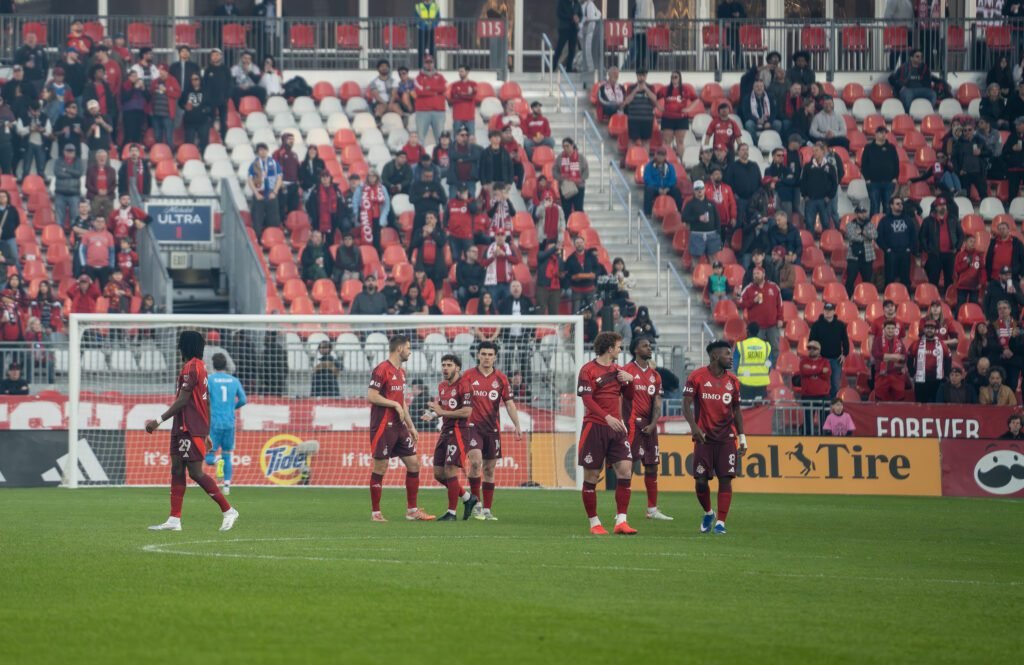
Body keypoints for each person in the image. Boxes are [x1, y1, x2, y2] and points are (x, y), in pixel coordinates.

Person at [146, 332, 238, 532]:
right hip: (183, 426)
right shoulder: (199, 367)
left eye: (180, 344)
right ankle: (174, 519)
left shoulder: (192, 367)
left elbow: (183, 400)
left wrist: (158, 421)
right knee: (177, 469)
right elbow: (206, 401)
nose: (178, 348)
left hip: (190, 427)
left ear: (185, 346)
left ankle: (228, 510)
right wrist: (207, 432)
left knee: (196, 473)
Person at [365, 335, 434, 521]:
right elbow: (372, 396)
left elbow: (401, 401)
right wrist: (393, 404)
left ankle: (412, 511)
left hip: (399, 426)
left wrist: (411, 426)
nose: (410, 352)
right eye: (408, 348)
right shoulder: (382, 369)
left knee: (413, 464)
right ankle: (376, 513)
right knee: (381, 466)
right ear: (399, 348)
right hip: (383, 425)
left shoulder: (401, 372)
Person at [577, 331, 637, 535]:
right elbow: (587, 400)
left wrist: (630, 381)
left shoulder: (619, 371)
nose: (620, 350)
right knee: (592, 476)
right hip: (595, 427)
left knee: (625, 470)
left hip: (616, 428)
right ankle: (594, 523)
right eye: (619, 347)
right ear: (610, 349)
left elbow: (629, 396)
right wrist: (607, 417)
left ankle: (621, 521)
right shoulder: (588, 370)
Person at [683, 340, 745, 536]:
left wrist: (742, 437)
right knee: (701, 481)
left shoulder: (733, 381)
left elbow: (736, 410)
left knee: (726, 479)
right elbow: (686, 405)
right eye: (727, 354)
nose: (731, 358)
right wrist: (694, 428)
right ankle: (709, 513)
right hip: (704, 438)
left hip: (727, 438)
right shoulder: (696, 377)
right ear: (715, 356)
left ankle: (721, 523)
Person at [423, 354, 479, 520]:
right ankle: (468, 498)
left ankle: (451, 513)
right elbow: (443, 407)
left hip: (459, 432)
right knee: (438, 474)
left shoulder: (465, 385)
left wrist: (442, 412)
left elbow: (467, 412)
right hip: (445, 431)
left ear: (458, 368)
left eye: (449, 365)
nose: (445, 368)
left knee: (450, 470)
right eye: (443, 365)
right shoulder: (442, 386)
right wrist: (433, 414)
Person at [623, 336, 671, 520]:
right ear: (636, 349)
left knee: (652, 467)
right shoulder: (626, 371)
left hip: (649, 426)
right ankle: (621, 512)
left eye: (650, 346)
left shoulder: (655, 376)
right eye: (645, 346)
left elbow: (657, 402)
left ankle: (652, 510)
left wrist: (653, 424)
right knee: (627, 468)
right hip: (631, 424)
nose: (649, 348)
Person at [204, 353, 246, 494]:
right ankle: (226, 487)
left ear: (213, 364)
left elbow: (204, 399)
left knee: (209, 456)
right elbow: (243, 399)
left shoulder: (209, 380)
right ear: (226, 365)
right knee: (227, 453)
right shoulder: (234, 380)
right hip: (229, 422)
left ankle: (217, 461)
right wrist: (232, 407)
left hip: (214, 422)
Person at [740, 265, 783, 359]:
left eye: (758, 273)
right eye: (754, 274)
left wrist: (780, 318)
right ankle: (758, 366)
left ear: (763, 274)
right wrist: (753, 301)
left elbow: (780, 304)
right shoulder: (748, 288)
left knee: (775, 348)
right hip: (757, 327)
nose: (755, 275)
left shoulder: (774, 287)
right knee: (757, 350)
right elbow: (741, 303)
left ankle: (775, 368)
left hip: (772, 325)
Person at [809, 302, 850, 399]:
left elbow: (845, 341)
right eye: (826, 310)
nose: (828, 312)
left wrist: (844, 354)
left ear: (834, 312)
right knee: (820, 385)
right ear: (823, 311)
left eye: (830, 310)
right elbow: (811, 342)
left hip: (836, 360)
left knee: (835, 385)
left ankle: (833, 406)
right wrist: (815, 356)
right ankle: (822, 405)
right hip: (821, 360)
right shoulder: (816, 325)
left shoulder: (840, 325)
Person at [877, 195, 917, 289]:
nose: (900, 205)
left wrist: (910, 248)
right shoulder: (884, 220)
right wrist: (886, 249)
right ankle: (889, 295)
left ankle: (906, 296)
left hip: (905, 252)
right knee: (890, 278)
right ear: (891, 206)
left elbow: (914, 235)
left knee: (905, 279)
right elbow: (879, 237)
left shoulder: (908, 220)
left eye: (901, 204)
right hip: (891, 253)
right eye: (897, 204)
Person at [801, 143, 840, 232]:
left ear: (823, 151)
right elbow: (803, 182)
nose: (814, 153)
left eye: (817, 150)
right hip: (810, 200)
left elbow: (834, 184)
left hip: (824, 200)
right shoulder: (807, 166)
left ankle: (827, 239)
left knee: (826, 224)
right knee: (809, 225)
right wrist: (805, 195)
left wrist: (829, 196)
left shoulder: (830, 167)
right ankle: (810, 240)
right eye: (813, 151)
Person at [861, 126, 899, 216]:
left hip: (889, 182)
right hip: (873, 183)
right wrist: (867, 179)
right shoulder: (868, 147)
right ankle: (874, 225)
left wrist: (895, 178)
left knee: (888, 207)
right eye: (881, 132)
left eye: (885, 133)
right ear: (876, 134)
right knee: (875, 207)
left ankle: (888, 225)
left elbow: (896, 163)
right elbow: (864, 165)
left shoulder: (891, 147)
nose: (883, 134)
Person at [796, 340, 831, 434]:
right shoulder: (803, 361)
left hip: (823, 395)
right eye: (809, 348)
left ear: (819, 350)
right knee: (808, 421)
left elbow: (827, 374)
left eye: (814, 348)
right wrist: (820, 371)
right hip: (808, 395)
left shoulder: (825, 361)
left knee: (824, 421)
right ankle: (807, 438)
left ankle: (825, 438)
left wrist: (811, 370)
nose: (811, 350)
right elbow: (804, 371)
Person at [683, 180, 722, 260]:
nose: (699, 191)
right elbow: (684, 217)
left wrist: (718, 232)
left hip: (712, 234)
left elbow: (717, 218)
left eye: (701, 188)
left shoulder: (711, 203)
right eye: (697, 189)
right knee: (695, 258)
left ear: (704, 189)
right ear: (694, 191)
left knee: (713, 258)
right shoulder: (690, 204)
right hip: (697, 234)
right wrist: (698, 218)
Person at [413, 54, 447, 145]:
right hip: (422, 111)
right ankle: (420, 154)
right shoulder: (418, 78)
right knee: (420, 139)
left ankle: (439, 154)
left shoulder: (440, 77)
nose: (429, 64)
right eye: (427, 62)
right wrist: (436, 92)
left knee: (440, 139)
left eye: (431, 62)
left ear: (433, 63)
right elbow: (419, 92)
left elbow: (444, 88)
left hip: (438, 111)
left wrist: (429, 88)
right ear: (424, 64)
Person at [733, 322, 770, 401]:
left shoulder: (741, 346)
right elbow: (769, 364)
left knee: (746, 407)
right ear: (758, 332)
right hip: (762, 382)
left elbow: (736, 365)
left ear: (747, 331)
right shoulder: (766, 346)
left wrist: (741, 375)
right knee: (759, 407)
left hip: (745, 382)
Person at [565, 234, 603, 313]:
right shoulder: (570, 259)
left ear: (584, 243)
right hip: (576, 290)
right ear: (574, 245)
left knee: (594, 311)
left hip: (590, 289)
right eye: (577, 243)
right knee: (575, 312)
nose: (579, 244)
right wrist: (573, 277)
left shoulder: (591, 256)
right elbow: (567, 274)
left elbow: (598, 269)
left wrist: (594, 275)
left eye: (581, 242)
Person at [871, 321, 908, 402]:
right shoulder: (878, 341)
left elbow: (904, 357)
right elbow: (876, 354)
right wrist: (895, 357)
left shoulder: (899, 342)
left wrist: (886, 357)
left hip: (896, 375)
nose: (890, 330)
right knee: (879, 399)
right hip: (881, 375)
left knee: (900, 399)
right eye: (888, 328)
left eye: (892, 328)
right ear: (884, 329)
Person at [658, 71, 693, 153]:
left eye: (676, 77)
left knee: (680, 142)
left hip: (681, 119)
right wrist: (659, 107)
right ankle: (667, 159)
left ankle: (681, 159)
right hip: (667, 118)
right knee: (667, 141)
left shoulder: (686, 89)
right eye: (672, 77)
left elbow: (696, 100)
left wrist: (689, 109)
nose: (674, 79)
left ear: (679, 78)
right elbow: (655, 98)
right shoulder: (665, 89)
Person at [844, 205, 877, 295]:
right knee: (850, 280)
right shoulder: (850, 225)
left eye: (864, 212)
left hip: (868, 256)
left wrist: (861, 233)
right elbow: (852, 236)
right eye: (861, 212)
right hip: (853, 257)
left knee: (867, 280)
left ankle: (866, 298)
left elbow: (874, 235)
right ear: (856, 214)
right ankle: (847, 298)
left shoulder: (870, 224)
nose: (863, 214)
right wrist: (866, 236)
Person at [891, 49, 936, 113]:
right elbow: (891, 78)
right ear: (911, 58)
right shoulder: (904, 67)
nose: (920, 58)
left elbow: (929, 79)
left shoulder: (924, 67)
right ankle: (908, 114)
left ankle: (928, 112)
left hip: (922, 89)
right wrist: (901, 87)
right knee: (908, 95)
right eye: (917, 56)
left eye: (921, 57)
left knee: (932, 94)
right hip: (908, 89)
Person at [554, 138, 588, 221]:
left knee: (578, 209)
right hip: (565, 187)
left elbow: (586, 172)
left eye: (567, 146)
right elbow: (554, 171)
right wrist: (560, 177)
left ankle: (579, 226)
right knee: (566, 210)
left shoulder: (581, 158)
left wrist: (580, 179)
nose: (566, 148)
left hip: (578, 187)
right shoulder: (560, 157)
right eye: (564, 147)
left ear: (572, 145)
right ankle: (567, 226)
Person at [642, 148, 682, 216]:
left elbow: (673, 179)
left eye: (662, 155)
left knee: (676, 191)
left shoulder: (670, 166)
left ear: (665, 156)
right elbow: (647, 179)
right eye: (659, 154)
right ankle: (647, 213)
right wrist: (658, 189)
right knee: (649, 190)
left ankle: (680, 212)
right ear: (656, 155)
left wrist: (667, 188)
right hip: (655, 188)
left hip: (667, 188)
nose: (660, 157)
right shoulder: (649, 166)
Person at [179, 73, 211, 151]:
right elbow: (180, 103)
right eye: (192, 79)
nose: (194, 81)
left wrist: (206, 110)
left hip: (202, 121)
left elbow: (211, 104)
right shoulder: (186, 91)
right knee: (189, 144)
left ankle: (203, 156)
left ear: (200, 80)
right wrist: (184, 106)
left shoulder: (206, 91)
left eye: (196, 79)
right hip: (190, 122)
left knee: (204, 143)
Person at [624, 70, 658, 145]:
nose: (642, 78)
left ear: (646, 76)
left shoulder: (651, 87)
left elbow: (655, 101)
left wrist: (646, 89)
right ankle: (631, 153)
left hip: (647, 119)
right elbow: (627, 101)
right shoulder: (631, 87)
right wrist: (635, 91)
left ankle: (645, 154)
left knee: (646, 141)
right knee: (632, 141)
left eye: (644, 76)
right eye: (640, 75)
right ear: (637, 76)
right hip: (633, 119)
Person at [954, 234, 987, 307]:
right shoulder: (960, 255)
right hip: (962, 286)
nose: (973, 243)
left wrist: (981, 282)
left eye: (974, 242)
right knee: (961, 306)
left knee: (973, 306)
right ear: (965, 243)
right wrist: (966, 263)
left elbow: (982, 270)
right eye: (971, 241)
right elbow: (957, 269)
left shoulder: (979, 255)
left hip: (974, 286)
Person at [273, 133, 301, 215]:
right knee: (281, 207)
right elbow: (274, 168)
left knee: (293, 207)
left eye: (293, 139)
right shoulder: (278, 153)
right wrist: (279, 182)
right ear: (284, 140)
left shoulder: (294, 154)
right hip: (283, 185)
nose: (292, 141)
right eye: (289, 139)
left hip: (293, 185)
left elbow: (297, 169)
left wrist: (298, 182)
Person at [554, 0, 581, 73]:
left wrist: (578, 19)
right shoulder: (562, 2)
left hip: (574, 30)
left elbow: (580, 14)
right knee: (560, 49)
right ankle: (554, 67)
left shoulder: (576, 4)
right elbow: (560, 14)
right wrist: (572, 18)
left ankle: (569, 68)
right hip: (565, 30)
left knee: (572, 50)